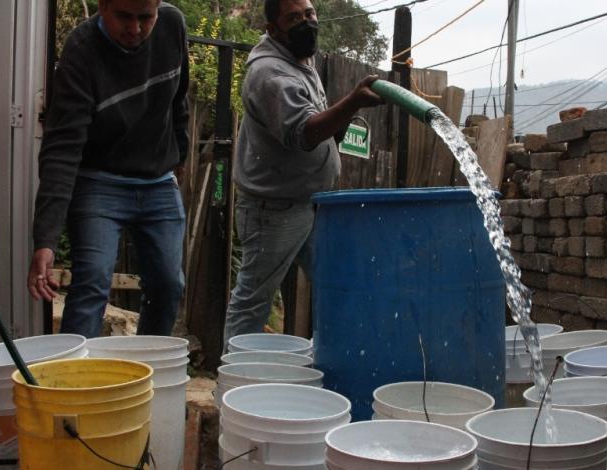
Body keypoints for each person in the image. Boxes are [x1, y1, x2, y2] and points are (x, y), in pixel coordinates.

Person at [222, 0, 384, 348]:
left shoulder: (299, 60)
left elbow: (316, 125)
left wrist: (338, 127)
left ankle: (335, 370)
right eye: (293, 18)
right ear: (273, 29)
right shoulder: (271, 75)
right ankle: (232, 385)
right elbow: (305, 132)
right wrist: (352, 102)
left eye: (309, 13)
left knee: (336, 284)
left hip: (309, 203)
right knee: (253, 303)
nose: (306, 22)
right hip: (273, 210)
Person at [27, 0, 189, 338]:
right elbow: (61, 149)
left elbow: (179, 100)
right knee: (92, 282)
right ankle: (75, 383)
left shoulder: (173, 26)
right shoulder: (81, 52)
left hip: (158, 182)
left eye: (146, 18)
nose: (135, 29)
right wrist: (45, 241)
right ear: (102, 6)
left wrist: (180, 156)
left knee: (168, 284)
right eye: (124, 17)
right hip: (98, 182)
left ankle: (149, 372)